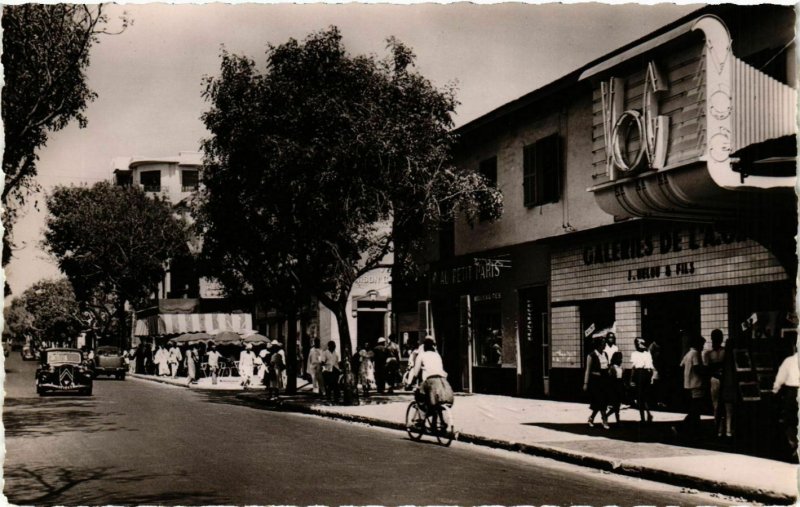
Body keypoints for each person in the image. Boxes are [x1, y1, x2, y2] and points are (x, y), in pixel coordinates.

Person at [409, 337, 454, 429]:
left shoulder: (421, 355)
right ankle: (437, 422)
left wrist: (410, 383)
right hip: (442, 380)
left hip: (430, 380)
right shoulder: (437, 355)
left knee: (419, 396)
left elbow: (416, 373)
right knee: (437, 400)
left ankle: (421, 420)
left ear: (424, 346)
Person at [772, 349, 799, 460]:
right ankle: (794, 444)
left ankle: (794, 444)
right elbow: (780, 377)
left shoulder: (790, 361)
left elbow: (780, 378)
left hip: (792, 392)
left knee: (791, 420)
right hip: (792, 392)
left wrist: (775, 390)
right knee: (791, 419)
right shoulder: (789, 361)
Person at [678, 334, 706, 439]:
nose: (703, 347)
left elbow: (681, 365)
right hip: (697, 384)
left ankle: (693, 429)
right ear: (698, 344)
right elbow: (697, 367)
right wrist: (705, 374)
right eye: (702, 344)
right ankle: (684, 428)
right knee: (696, 409)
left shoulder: (688, 353)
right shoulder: (695, 353)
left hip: (688, 385)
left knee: (694, 408)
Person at [702, 329, 726, 437]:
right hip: (718, 379)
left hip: (716, 379)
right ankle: (720, 427)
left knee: (718, 404)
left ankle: (719, 427)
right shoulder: (722, 352)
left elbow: (707, 368)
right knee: (720, 404)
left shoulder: (709, 354)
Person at [583, 336, 610, 429]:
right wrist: (585, 383)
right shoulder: (591, 355)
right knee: (600, 400)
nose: (605, 344)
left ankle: (591, 418)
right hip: (596, 381)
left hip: (605, 380)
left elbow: (607, 366)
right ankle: (605, 420)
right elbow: (588, 370)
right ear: (598, 344)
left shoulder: (605, 354)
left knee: (601, 402)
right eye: (603, 343)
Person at [630, 337, 654, 423]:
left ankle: (648, 414)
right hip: (638, 374)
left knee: (644, 396)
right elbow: (633, 367)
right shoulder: (634, 354)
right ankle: (643, 417)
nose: (640, 344)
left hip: (646, 374)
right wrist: (632, 379)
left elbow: (651, 367)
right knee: (640, 397)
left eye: (642, 343)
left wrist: (651, 377)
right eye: (638, 343)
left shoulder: (647, 354)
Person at [608, 351, 624, 424]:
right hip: (614, 387)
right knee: (615, 406)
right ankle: (617, 420)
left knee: (617, 405)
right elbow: (611, 379)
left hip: (620, 387)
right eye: (619, 358)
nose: (620, 360)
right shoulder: (612, 367)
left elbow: (622, 378)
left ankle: (606, 416)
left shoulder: (621, 367)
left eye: (621, 358)